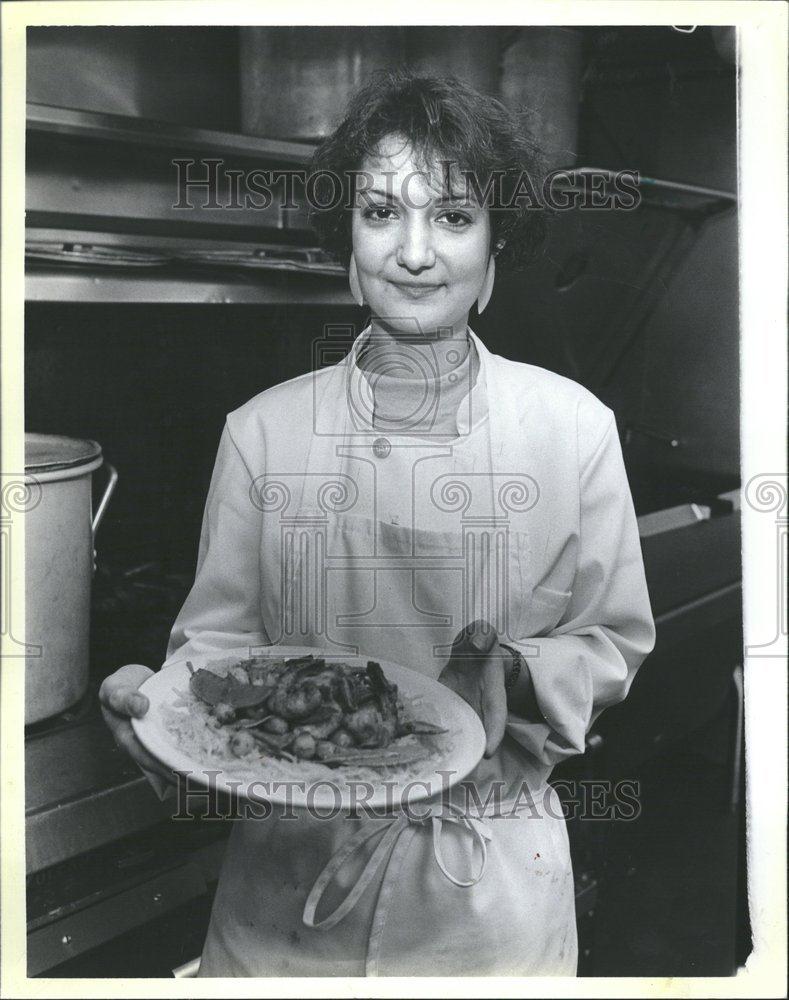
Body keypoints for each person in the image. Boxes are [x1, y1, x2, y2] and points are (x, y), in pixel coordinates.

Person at [100, 71, 655, 977]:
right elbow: (214, 659)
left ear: (495, 244)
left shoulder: (571, 429)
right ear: (344, 242)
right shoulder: (262, 431)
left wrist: (509, 671)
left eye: (452, 216)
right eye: (379, 213)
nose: (414, 253)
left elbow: (613, 642)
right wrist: (157, 713)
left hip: (483, 895)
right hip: (283, 894)